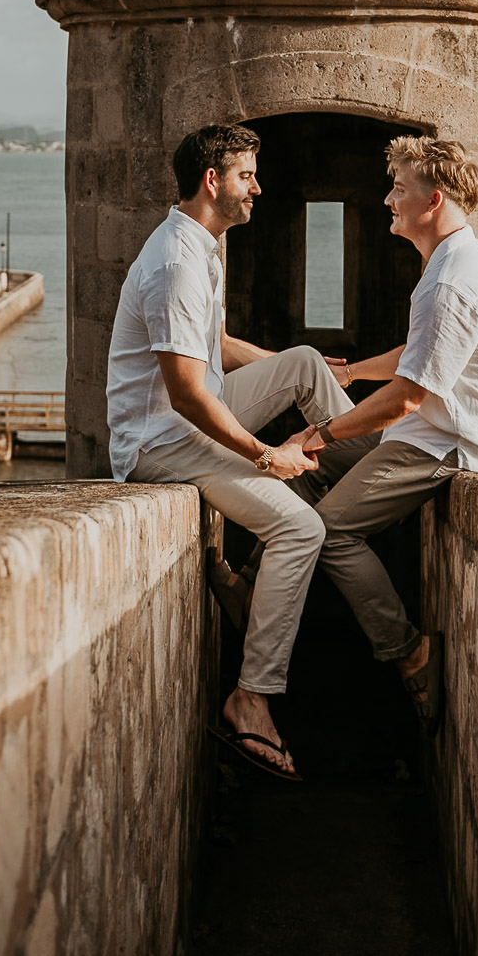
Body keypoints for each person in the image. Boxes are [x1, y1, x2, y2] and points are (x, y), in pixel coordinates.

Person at [108, 122, 353, 780]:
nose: (258, 188)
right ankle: (251, 698)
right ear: (212, 181)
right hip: (162, 440)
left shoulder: (201, 244)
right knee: (301, 527)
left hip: (187, 415)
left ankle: (380, 462)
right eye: (247, 175)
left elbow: (211, 347)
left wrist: (298, 373)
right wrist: (264, 456)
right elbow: (188, 395)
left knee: (304, 363)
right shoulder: (176, 263)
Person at [297, 137, 478, 722]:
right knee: (296, 469)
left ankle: (408, 651)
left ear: (435, 199)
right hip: (430, 429)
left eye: (399, 189)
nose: (387, 200)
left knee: (332, 530)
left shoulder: (451, 280)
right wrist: (350, 372)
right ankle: (253, 583)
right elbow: (419, 353)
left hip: (453, 443)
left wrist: (323, 431)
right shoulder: (452, 263)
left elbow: (409, 396)